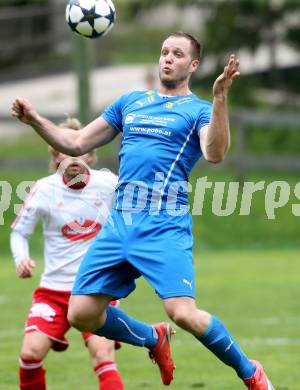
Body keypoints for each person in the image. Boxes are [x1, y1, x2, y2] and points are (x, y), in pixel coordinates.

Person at [12, 32, 275, 389]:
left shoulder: (197, 110)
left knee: (182, 313)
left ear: (192, 65)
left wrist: (219, 99)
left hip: (163, 224)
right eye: (165, 52)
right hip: (120, 223)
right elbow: (75, 141)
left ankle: (250, 372)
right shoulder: (131, 102)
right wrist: (34, 120)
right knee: (82, 314)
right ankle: (153, 339)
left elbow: (215, 153)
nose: (168, 58)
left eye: (178, 54)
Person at [10, 118, 124, 390]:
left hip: (96, 289)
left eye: (79, 147)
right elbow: (18, 232)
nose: (73, 154)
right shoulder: (43, 189)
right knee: (29, 355)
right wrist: (21, 259)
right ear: (55, 152)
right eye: (65, 147)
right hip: (53, 291)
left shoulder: (109, 184)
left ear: (91, 152)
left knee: (102, 355)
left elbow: (138, 214)